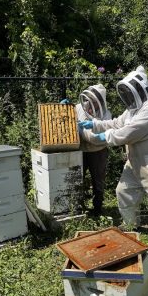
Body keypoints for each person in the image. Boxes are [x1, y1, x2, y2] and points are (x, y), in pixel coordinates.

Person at [78, 66, 148, 261]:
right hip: (135, 161)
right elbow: (116, 123)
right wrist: (95, 124)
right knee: (123, 191)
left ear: (140, 89)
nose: (128, 97)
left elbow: (129, 132)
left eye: (130, 93)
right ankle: (131, 225)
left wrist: (103, 136)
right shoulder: (133, 110)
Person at [61, 84, 112, 216]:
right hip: (80, 151)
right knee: (77, 180)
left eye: (95, 101)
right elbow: (64, 118)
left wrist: (79, 129)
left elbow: (93, 138)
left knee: (98, 181)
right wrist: (64, 108)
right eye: (90, 100)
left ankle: (97, 209)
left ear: (101, 101)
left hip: (98, 152)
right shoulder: (79, 108)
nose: (91, 104)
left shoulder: (106, 115)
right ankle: (77, 208)